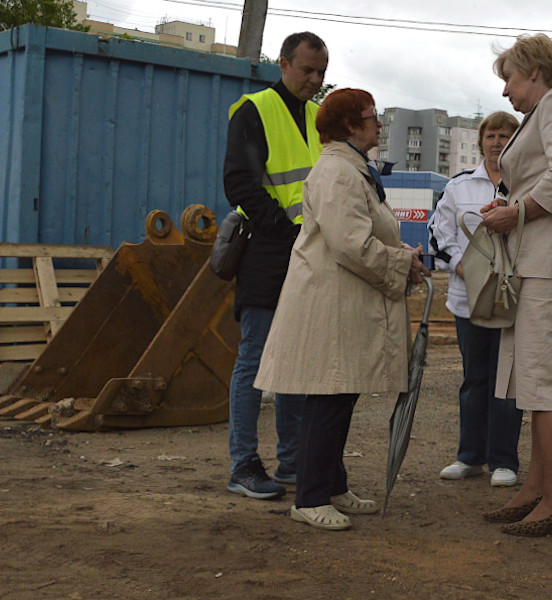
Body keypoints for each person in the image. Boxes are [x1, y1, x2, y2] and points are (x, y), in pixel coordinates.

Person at [254, 89, 429, 531]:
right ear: (351, 126)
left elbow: (364, 232)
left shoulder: (352, 170)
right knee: (329, 396)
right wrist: (400, 262)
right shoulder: (337, 172)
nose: (378, 124)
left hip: (342, 303)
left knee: (339, 393)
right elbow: (350, 243)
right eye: (372, 117)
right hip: (330, 305)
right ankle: (310, 498)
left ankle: (330, 486)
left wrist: (400, 253)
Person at [478, 34, 552, 537]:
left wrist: (518, 211)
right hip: (538, 263)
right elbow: (543, 176)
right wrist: (509, 206)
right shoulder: (542, 114)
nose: (505, 91)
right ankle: (536, 488)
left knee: (547, 383)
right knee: (532, 380)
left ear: (534, 72)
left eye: (508, 79)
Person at [222, 31, 328, 499]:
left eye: (321, 72)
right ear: (283, 63)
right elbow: (240, 184)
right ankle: (243, 465)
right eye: (308, 69)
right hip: (268, 249)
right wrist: (289, 233)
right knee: (256, 358)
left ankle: (290, 461)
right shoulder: (255, 110)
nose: (315, 79)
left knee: (296, 359)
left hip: (307, 251)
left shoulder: (318, 117)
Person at [429, 111, 524, 489]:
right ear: (481, 140)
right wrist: (459, 265)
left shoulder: (527, 186)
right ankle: (470, 457)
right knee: (475, 380)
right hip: (467, 300)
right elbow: (440, 234)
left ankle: (504, 461)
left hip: (512, 301)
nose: (498, 142)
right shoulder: (459, 187)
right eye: (491, 135)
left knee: (507, 382)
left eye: (505, 135)